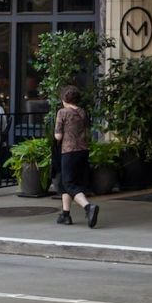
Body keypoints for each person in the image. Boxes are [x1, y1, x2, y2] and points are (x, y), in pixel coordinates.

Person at [53, 85, 99, 228]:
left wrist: (57, 136)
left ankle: (88, 207)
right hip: (83, 151)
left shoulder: (62, 112)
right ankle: (65, 215)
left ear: (64, 98)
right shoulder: (82, 112)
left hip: (68, 151)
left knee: (69, 183)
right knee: (68, 182)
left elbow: (58, 135)